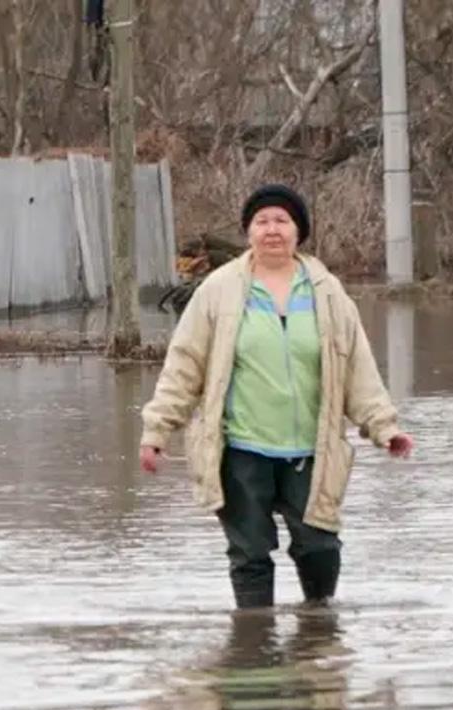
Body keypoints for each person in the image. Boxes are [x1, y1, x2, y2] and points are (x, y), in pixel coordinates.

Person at [138, 184, 412, 609]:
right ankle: (253, 647)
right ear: (248, 231)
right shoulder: (219, 289)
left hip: (311, 448)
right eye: (262, 221)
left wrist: (384, 426)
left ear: (297, 232)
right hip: (242, 447)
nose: (272, 230)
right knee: (249, 554)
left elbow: (357, 366)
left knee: (320, 546)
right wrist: (157, 430)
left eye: (281, 221)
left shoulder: (327, 291)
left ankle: (318, 631)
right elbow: (185, 364)